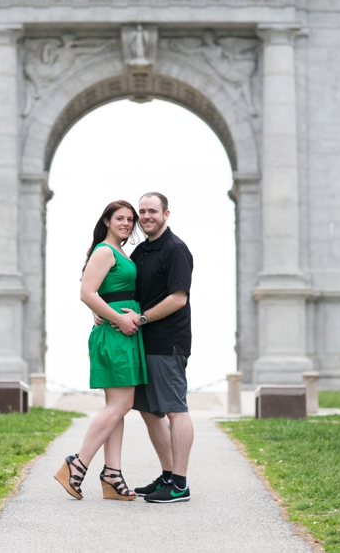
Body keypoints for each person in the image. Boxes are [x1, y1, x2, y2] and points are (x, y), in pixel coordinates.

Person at [55, 201, 146, 501]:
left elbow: (103, 293)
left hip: (122, 333)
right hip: (115, 334)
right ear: (106, 220)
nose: (126, 223)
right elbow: (86, 292)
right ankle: (76, 464)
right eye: (119, 218)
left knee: (118, 407)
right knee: (119, 405)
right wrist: (117, 317)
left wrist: (110, 314)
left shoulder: (120, 252)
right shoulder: (105, 251)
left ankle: (112, 475)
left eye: (130, 220)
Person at [129, 192, 195, 503]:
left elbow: (178, 298)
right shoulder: (141, 251)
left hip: (167, 341)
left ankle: (180, 484)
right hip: (142, 342)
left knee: (174, 410)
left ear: (166, 214)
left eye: (152, 210)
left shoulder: (176, 249)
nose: (146, 216)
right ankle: (167, 475)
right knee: (148, 410)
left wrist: (141, 319)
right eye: (141, 211)